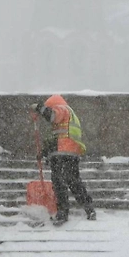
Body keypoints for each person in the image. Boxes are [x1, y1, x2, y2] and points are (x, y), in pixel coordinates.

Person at [31, 94, 96, 225]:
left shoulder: (62, 109)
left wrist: (39, 108)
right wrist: (43, 153)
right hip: (70, 153)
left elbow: (52, 116)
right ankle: (89, 208)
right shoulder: (69, 116)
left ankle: (62, 213)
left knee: (59, 183)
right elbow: (55, 139)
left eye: (49, 108)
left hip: (62, 153)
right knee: (74, 181)